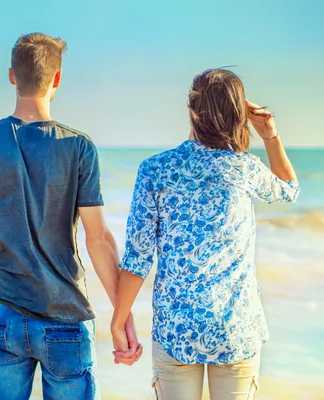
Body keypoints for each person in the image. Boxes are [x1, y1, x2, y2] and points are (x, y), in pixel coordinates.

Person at [0, 32, 141, 400]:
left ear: (11, 76)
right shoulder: (78, 147)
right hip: (65, 317)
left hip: (1, 315)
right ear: (56, 79)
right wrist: (123, 315)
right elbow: (98, 238)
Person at [110, 68, 300, 400]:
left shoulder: (156, 169)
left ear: (191, 110)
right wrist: (270, 135)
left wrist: (119, 320)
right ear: (239, 116)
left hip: (176, 330)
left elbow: (138, 256)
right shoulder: (245, 169)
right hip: (235, 330)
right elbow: (289, 190)